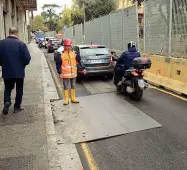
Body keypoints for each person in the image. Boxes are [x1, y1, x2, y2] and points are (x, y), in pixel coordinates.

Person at [0, 27, 31, 115]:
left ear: (9, 33)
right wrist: (23, 65)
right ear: (17, 33)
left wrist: (3, 64)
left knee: (7, 88)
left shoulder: (1, 43)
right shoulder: (21, 44)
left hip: (7, 71)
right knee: (19, 89)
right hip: (19, 72)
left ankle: (7, 102)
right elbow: (27, 59)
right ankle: (17, 107)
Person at [55, 39, 86, 105]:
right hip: (65, 74)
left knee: (73, 86)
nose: (68, 47)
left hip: (73, 74)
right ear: (64, 46)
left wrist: (83, 69)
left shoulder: (74, 54)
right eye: (66, 46)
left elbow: (79, 62)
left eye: (69, 46)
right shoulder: (61, 54)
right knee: (66, 86)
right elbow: (58, 64)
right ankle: (66, 99)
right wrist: (60, 73)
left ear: (71, 46)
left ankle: (73, 98)